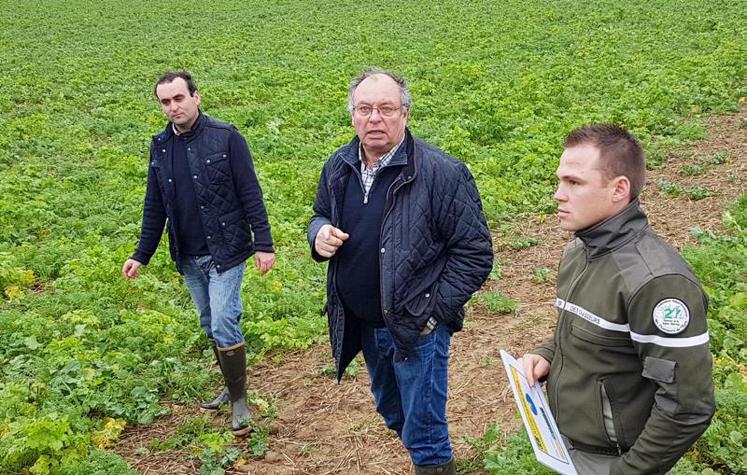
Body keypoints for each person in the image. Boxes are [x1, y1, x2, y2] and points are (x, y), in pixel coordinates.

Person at [307, 68, 493, 474]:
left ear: (405, 114)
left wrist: (432, 313)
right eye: (365, 109)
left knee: (425, 433)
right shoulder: (339, 165)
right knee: (392, 410)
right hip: (367, 323)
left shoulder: (442, 173)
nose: (375, 118)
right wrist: (318, 233)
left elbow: (475, 252)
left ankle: (433, 463)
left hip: (417, 328)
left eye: (386, 108)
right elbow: (321, 214)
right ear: (353, 115)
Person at [521, 124, 715, 474]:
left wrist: (629, 471)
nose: (558, 195)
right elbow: (595, 336)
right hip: (570, 448)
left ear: (618, 189)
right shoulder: (579, 252)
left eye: (574, 182)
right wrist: (547, 353)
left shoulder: (657, 283)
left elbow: (687, 406)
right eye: (560, 181)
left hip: (613, 462)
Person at [121, 71, 275, 436]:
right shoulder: (160, 146)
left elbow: (250, 191)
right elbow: (154, 204)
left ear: (196, 97)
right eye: (165, 102)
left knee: (223, 319)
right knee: (209, 323)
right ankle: (230, 383)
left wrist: (264, 243)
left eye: (178, 98)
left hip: (226, 249)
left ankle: (240, 400)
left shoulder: (226, 137)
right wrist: (141, 254)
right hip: (188, 254)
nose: (173, 107)